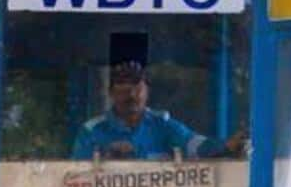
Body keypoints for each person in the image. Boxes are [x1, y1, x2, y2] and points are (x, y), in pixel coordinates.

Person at [70, 60, 246, 160]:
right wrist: (107, 155)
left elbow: (195, 145)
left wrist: (226, 146)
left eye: (137, 88)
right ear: (111, 93)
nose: (131, 95)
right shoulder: (91, 131)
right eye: (123, 89)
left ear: (147, 91)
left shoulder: (164, 125)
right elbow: (74, 173)